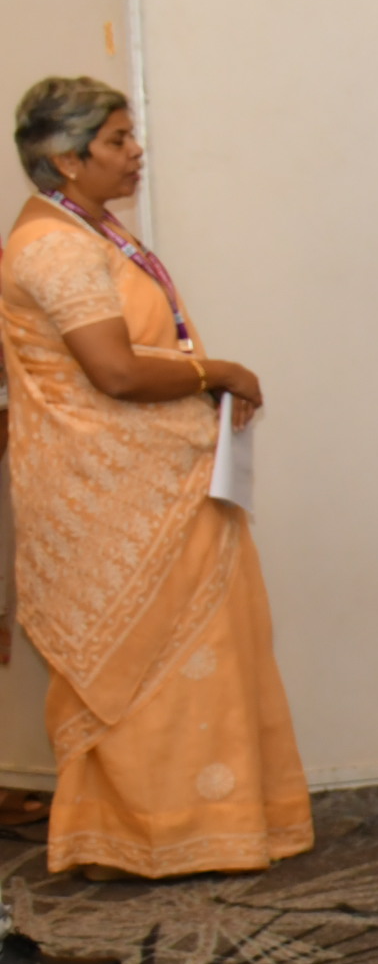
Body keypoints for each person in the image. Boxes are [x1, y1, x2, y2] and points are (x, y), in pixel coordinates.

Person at [2, 78, 309, 885]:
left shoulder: (92, 229)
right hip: (111, 498)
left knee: (204, 653)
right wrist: (220, 371)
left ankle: (209, 829)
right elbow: (113, 370)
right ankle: (135, 839)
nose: (136, 152)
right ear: (68, 160)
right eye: (116, 140)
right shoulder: (55, 246)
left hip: (162, 483)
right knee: (140, 663)